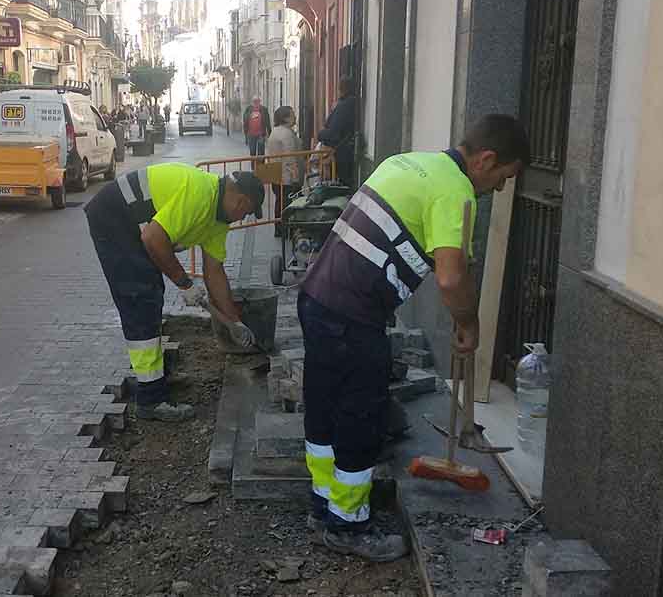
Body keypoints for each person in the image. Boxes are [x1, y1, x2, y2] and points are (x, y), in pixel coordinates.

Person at [299, 115, 528, 561]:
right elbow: (450, 277)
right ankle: (348, 527)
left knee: (324, 408)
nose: (500, 188)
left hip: (317, 297)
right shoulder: (455, 191)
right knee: (359, 418)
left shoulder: (409, 162)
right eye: (503, 177)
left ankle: (323, 507)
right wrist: (469, 324)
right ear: (487, 160)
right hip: (353, 314)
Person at [85, 163, 267, 421]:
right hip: (113, 218)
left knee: (151, 293)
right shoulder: (200, 194)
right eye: (246, 212)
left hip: (131, 226)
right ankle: (150, 399)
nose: (242, 217)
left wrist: (234, 321)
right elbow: (153, 239)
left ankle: (156, 377)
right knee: (141, 299)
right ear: (240, 200)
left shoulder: (218, 221)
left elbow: (214, 271)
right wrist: (184, 283)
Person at [265, 105, 304, 222]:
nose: (295, 117)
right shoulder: (286, 134)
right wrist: (296, 179)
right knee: (287, 204)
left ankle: (279, 228)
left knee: (279, 202)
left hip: (276, 175)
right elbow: (290, 158)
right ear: (286, 118)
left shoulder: (275, 131)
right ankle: (286, 228)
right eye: (292, 115)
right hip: (286, 177)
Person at [317, 78, 357, 185]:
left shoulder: (345, 105)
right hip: (346, 149)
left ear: (341, 89)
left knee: (341, 184)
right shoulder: (350, 102)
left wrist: (320, 134)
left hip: (341, 153)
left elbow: (333, 132)